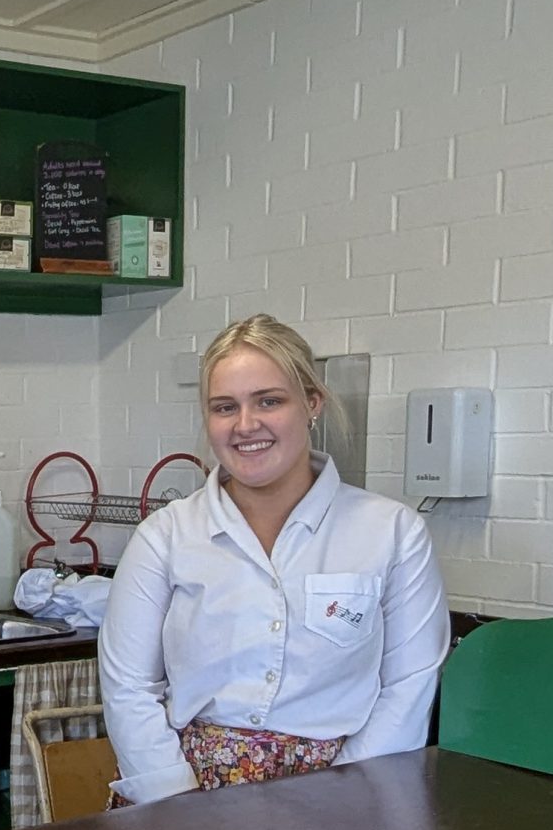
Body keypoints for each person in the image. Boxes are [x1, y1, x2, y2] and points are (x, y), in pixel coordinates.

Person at [97, 314, 448, 805]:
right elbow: (129, 688)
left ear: (312, 403)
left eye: (269, 400)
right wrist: (179, 809)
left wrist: (344, 801)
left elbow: (409, 689)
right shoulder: (165, 536)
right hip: (184, 795)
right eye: (225, 407)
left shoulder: (392, 533)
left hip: (343, 797)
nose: (245, 425)